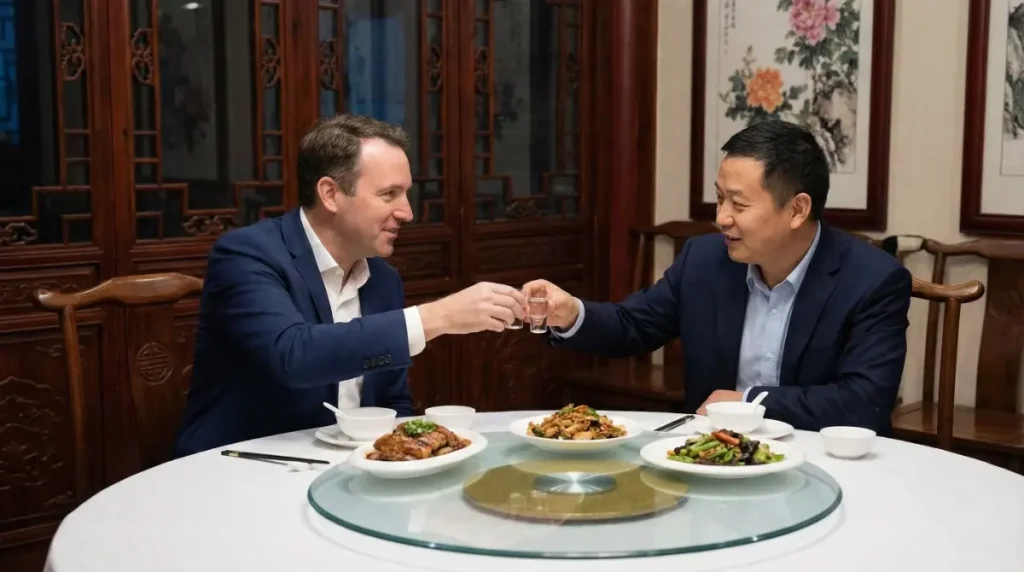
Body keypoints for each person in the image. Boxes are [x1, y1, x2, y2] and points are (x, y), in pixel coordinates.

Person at [524, 120, 911, 435]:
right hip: (714, 457)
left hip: (824, 462)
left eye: (738, 204)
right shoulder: (705, 260)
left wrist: (749, 403)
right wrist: (571, 314)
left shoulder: (873, 280)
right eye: (720, 198)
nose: (721, 217)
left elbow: (863, 402)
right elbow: (633, 325)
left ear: (797, 210)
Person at [173, 114, 525, 457]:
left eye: (406, 194)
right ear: (330, 194)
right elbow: (292, 355)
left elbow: (393, 403)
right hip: (238, 466)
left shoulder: (383, 280)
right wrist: (438, 317)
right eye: (389, 194)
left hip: (350, 469)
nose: (407, 212)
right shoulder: (247, 255)